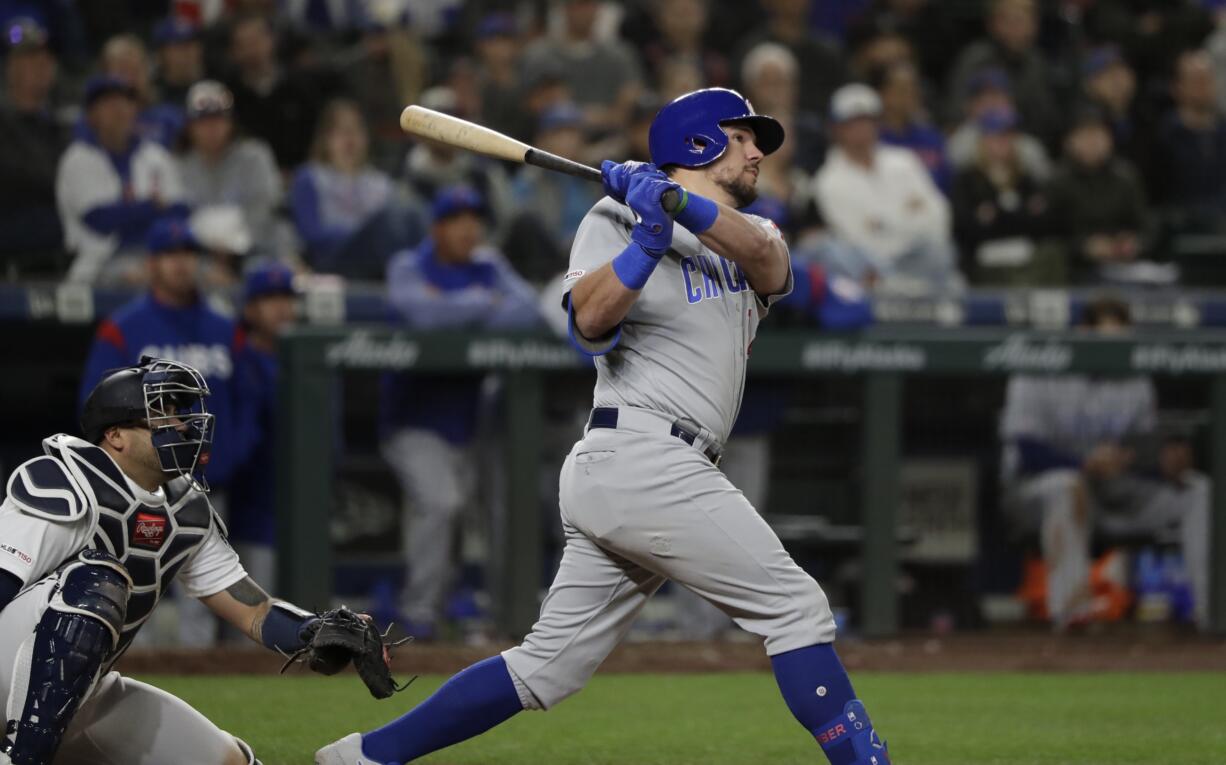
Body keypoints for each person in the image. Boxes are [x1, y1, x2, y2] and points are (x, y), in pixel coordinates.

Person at [317, 87, 891, 765]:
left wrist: (675, 204)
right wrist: (644, 244)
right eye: (743, 138)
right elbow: (589, 321)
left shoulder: (752, 235)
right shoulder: (613, 215)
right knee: (795, 607)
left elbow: (767, 259)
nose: (759, 152)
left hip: (653, 470)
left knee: (545, 668)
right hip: (640, 455)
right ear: (699, 142)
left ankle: (361, 757)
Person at [0, 357, 393, 765]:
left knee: (229, 761)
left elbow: (252, 610)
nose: (181, 425)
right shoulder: (66, 481)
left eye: (177, 414)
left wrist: (314, 630)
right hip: (5, 667)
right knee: (96, 580)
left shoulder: (185, 508)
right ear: (115, 435)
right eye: (161, 415)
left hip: (74, 691)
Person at [378, 186, 541, 640]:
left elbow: (529, 312)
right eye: (458, 219)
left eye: (476, 219)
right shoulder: (409, 264)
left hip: (469, 421)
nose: (470, 228)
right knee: (441, 503)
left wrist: (460, 304)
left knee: (460, 513)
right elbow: (421, 315)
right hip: (413, 416)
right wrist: (483, 303)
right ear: (437, 227)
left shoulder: (489, 265)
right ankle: (418, 613)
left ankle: (439, 607)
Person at [1000, 296, 1210, 630]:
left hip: (1116, 489)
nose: (1117, 351)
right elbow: (1027, 451)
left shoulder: (1135, 378)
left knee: (1200, 492)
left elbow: (1140, 447)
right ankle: (1073, 615)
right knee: (1068, 486)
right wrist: (1084, 463)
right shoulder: (1038, 367)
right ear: (1082, 332)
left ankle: (1212, 613)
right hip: (1038, 491)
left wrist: (1161, 463)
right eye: (1107, 339)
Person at [78, 219, 244, 491]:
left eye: (188, 253)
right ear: (152, 263)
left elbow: (247, 401)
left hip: (214, 483)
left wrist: (231, 458)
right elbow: (96, 407)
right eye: (170, 253)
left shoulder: (225, 329)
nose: (181, 263)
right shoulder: (121, 329)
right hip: (141, 485)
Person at [813, 83, 962, 296]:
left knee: (943, 253)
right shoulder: (828, 180)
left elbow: (939, 215)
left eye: (867, 120)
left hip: (920, 261)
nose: (861, 129)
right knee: (838, 256)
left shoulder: (905, 161)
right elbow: (858, 240)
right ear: (837, 128)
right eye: (853, 122)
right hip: (874, 274)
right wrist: (908, 215)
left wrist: (883, 224)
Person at [56, 76, 189, 284]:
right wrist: (152, 207)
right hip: (100, 261)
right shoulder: (78, 158)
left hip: (159, 256)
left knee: (215, 277)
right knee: (136, 279)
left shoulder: (155, 155)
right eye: (108, 104)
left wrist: (131, 212)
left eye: (125, 102)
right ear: (91, 116)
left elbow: (180, 211)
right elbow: (100, 220)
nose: (119, 110)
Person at [290, 99, 422, 278]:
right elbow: (312, 235)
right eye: (341, 131)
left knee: (411, 209)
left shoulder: (381, 183)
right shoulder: (310, 177)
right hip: (332, 261)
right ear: (325, 138)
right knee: (389, 220)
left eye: (356, 130)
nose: (350, 138)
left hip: (379, 263)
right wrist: (362, 233)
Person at [227, 262, 299, 592]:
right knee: (253, 616)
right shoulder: (237, 360)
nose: (282, 307)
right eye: (270, 298)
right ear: (251, 309)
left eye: (286, 296)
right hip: (250, 511)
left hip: (297, 508)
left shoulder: (304, 360)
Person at [951, 106, 1063, 285]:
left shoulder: (1026, 179)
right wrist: (1019, 216)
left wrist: (996, 216)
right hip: (983, 265)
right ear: (983, 141)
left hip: (1027, 262)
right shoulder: (967, 180)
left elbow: (1046, 223)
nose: (1004, 143)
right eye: (997, 136)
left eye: (1009, 137)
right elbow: (966, 227)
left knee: (1053, 253)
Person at [177, 80, 283, 259]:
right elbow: (180, 219)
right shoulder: (178, 165)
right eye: (203, 120)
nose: (212, 127)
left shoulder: (255, 156)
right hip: (199, 257)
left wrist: (234, 246)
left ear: (231, 122)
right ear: (190, 126)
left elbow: (264, 208)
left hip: (255, 249)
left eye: (218, 118)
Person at [1045, 107, 1150, 284]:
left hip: (1124, 269)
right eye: (1085, 135)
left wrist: (1133, 242)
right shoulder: (1055, 181)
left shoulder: (1126, 177)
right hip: (1071, 272)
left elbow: (1145, 226)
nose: (1093, 142)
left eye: (1098, 134)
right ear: (1069, 141)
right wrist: (1084, 247)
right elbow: (1048, 237)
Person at [0, 17, 69, 274]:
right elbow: (25, 179)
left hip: (61, 260)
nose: (42, 64)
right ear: (10, 67)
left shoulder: (60, 126)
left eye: (46, 57)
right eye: (30, 58)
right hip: (10, 262)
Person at [946, 0, 1063, 148]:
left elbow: (1046, 118)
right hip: (980, 140)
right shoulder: (975, 59)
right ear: (993, 24)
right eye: (1009, 21)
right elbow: (955, 113)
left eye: (1023, 20)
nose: (1017, 28)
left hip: (1022, 141)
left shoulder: (1037, 62)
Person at [519, 0, 644, 135]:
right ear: (565, 9)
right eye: (578, 5)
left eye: (589, 5)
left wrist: (575, 114)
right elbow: (533, 106)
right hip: (552, 139)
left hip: (611, 143)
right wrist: (591, 116)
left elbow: (628, 109)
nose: (583, 12)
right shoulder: (539, 54)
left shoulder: (621, 55)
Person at [1153, 49, 1226, 228]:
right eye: (1196, 80)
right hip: (1179, 227)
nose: (1203, 87)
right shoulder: (1165, 135)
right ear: (1177, 87)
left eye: (1207, 79)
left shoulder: (1223, 130)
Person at [875, 60, 951, 194]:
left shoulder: (931, 136)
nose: (911, 95)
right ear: (883, 94)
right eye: (903, 90)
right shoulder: (874, 140)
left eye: (914, 88)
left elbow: (948, 181)